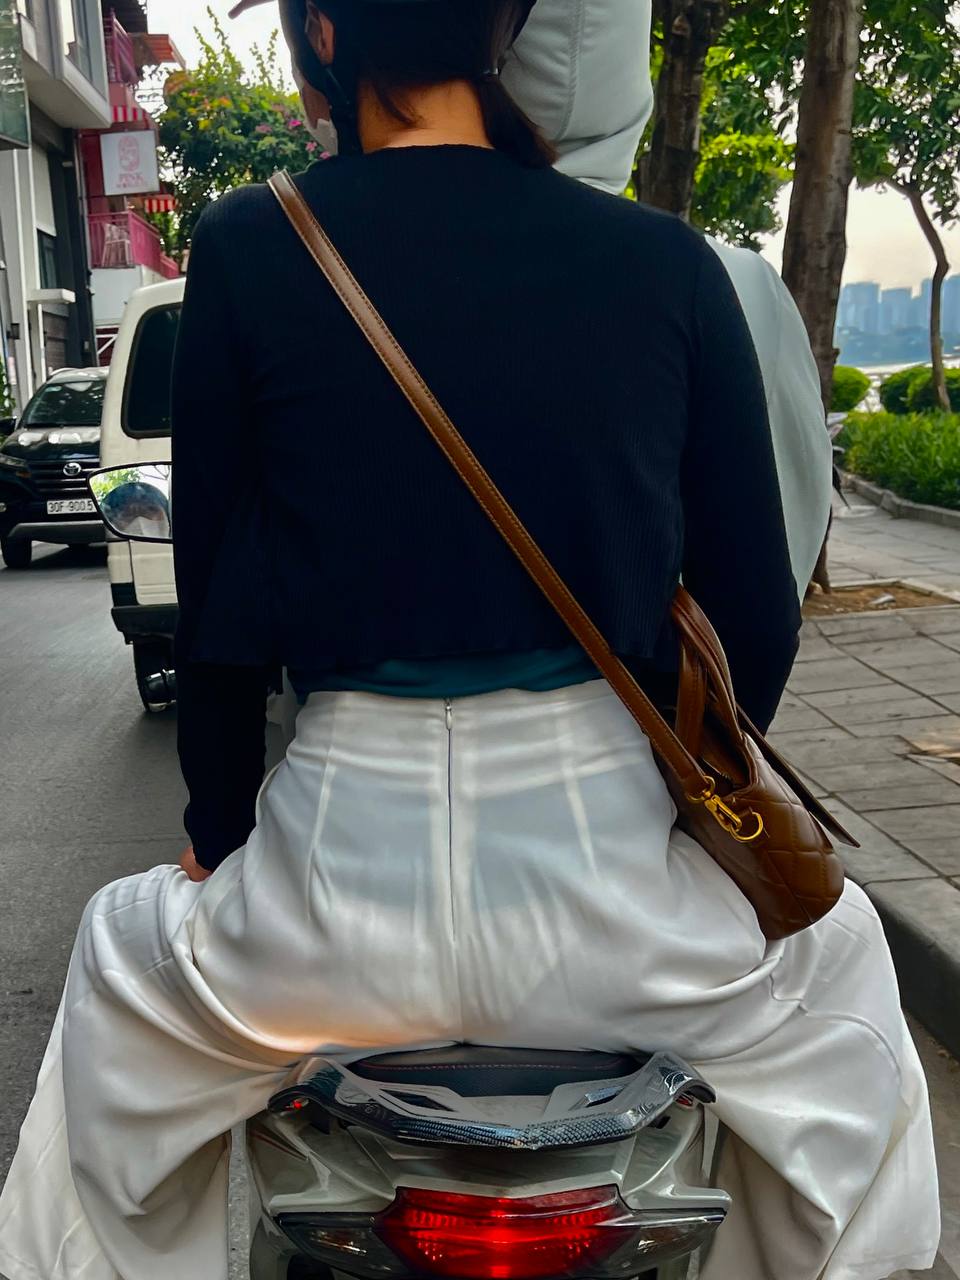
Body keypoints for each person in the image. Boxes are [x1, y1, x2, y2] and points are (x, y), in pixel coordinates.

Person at [0, 5, 938, 1280]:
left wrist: (218, 839)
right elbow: (755, 612)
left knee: (115, 961)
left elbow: (213, 613)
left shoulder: (249, 245)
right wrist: (682, 816)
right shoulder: (666, 262)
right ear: (502, 27)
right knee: (847, 973)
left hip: (331, 903)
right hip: (614, 902)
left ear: (322, 32)